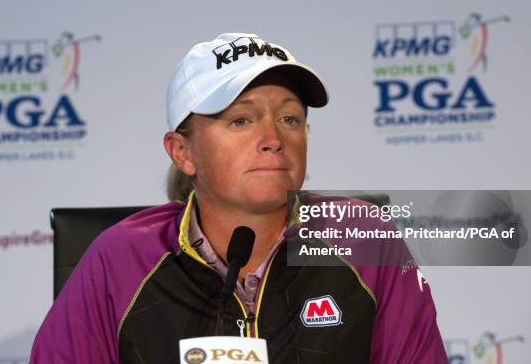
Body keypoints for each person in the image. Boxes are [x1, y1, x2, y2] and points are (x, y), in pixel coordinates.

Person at [30, 33, 447, 363]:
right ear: (182, 151)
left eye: (289, 118)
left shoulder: (363, 238)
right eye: (241, 120)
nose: (273, 139)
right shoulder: (118, 258)